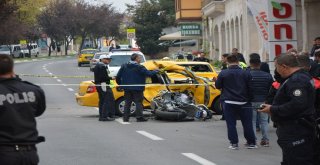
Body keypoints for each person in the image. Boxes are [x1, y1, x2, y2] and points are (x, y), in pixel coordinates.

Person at [259, 54, 316, 165]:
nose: (277, 71)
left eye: (277, 67)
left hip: (297, 129)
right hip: (298, 128)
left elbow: (298, 104)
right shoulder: (301, 76)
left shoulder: (297, 80)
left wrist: (273, 109)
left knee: (296, 159)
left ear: (284, 66)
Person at [0, 54, 46, 165]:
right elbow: (38, 111)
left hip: (4, 154)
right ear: (12, 68)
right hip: (29, 154)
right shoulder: (34, 90)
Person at [214, 54, 256, 150]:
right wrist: (250, 99)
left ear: (228, 62)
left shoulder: (223, 73)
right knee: (247, 123)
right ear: (238, 62)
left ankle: (234, 144)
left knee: (231, 124)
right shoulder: (246, 73)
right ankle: (251, 143)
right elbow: (251, 88)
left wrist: (216, 81)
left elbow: (218, 86)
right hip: (244, 102)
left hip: (228, 102)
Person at [116, 53, 158, 122]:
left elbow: (118, 76)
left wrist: (121, 85)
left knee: (127, 103)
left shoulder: (124, 66)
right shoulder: (139, 67)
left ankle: (125, 118)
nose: (140, 59)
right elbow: (149, 74)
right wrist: (156, 71)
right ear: (136, 59)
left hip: (127, 88)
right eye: (139, 58)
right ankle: (139, 117)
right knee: (138, 102)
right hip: (137, 88)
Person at [248, 54, 273, 147]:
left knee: (252, 122)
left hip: (251, 101)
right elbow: (271, 89)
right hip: (264, 101)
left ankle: (253, 140)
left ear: (250, 63)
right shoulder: (268, 75)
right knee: (264, 122)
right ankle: (265, 140)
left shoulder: (247, 75)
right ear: (260, 64)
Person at [94, 54, 115, 121]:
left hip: (99, 84)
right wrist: (111, 78)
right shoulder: (102, 66)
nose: (108, 60)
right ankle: (104, 116)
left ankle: (102, 115)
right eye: (106, 59)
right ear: (102, 59)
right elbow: (103, 77)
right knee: (107, 100)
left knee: (102, 100)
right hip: (103, 84)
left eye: (109, 59)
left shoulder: (99, 65)